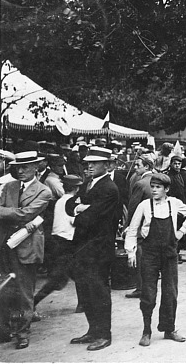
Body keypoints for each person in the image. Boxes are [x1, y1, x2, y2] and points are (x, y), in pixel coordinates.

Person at [125, 173, 186, 347]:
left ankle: (169, 328)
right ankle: (146, 330)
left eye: (158, 187)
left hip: (170, 254)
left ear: (166, 189)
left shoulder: (174, 204)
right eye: (153, 186)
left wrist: (181, 231)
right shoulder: (144, 205)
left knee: (170, 292)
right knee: (148, 293)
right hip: (149, 253)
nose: (154, 190)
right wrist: (131, 251)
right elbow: (132, 229)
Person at [65, 147, 120, 351]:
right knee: (86, 290)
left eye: (95, 163)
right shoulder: (89, 184)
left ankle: (104, 334)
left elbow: (91, 219)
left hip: (99, 248)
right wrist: (80, 208)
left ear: (107, 165)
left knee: (99, 291)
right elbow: (69, 204)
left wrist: (80, 210)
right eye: (88, 162)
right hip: (83, 247)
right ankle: (93, 330)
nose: (89, 166)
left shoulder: (109, 188)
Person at [0, 151, 52, 350]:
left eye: (25, 167)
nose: (20, 171)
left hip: (26, 246)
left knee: (24, 291)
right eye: (18, 167)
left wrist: (0, 212)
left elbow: (24, 215)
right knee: (3, 289)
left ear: (36, 167)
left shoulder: (43, 191)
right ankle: (3, 329)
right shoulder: (9, 187)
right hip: (4, 245)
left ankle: (22, 333)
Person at [33, 175, 83, 310]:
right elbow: (75, 220)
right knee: (58, 279)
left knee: (77, 273)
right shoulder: (72, 202)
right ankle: (33, 302)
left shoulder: (60, 200)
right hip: (66, 242)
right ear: (76, 188)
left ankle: (82, 304)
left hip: (56, 241)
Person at [125, 156, 155, 298]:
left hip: (141, 225)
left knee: (140, 255)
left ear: (147, 167)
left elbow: (133, 207)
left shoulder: (140, 183)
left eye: (138, 165)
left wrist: (128, 226)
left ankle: (141, 288)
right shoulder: (158, 180)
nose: (135, 168)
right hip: (156, 224)